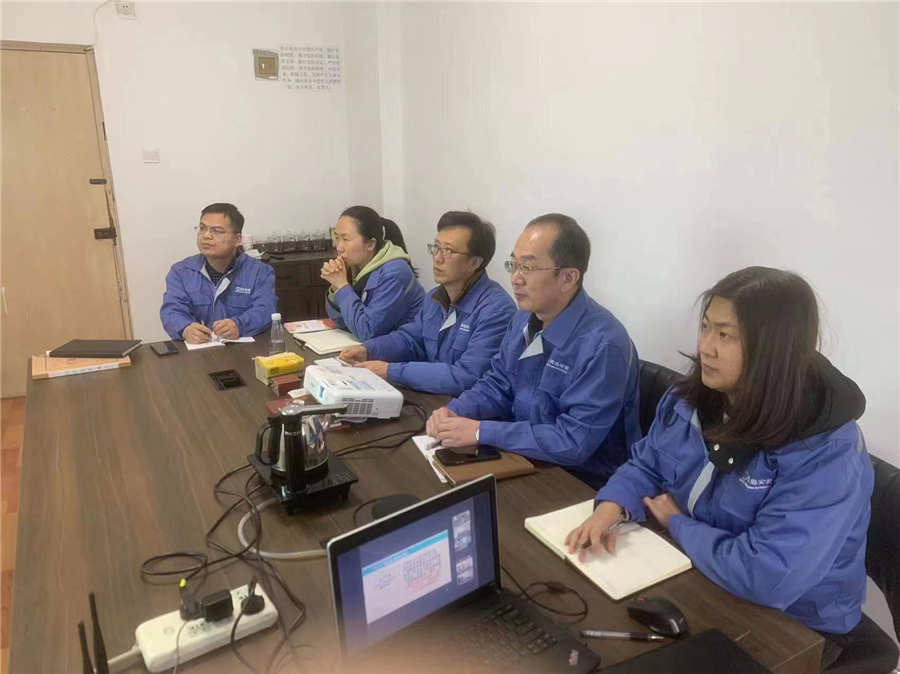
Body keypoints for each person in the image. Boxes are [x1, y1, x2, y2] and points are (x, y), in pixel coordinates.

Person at [564, 267, 873, 669]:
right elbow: (647, 463)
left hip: (796, 624)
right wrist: (613, 505)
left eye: (725, 336)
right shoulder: (695, 396)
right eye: (706, 327)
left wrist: (677, 523)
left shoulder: (826, 452)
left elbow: (767, 576)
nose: (705, 348)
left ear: (773, 350)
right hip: (697, 572)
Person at [426, 214, 641, 488]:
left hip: (581, 482)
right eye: (513, 264)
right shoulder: (523, 318)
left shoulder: (604, 345)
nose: (515, 279)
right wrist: (455, 410)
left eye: (527, 267)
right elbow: (498, 383)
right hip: (523, 457)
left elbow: (572, 441)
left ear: (568, 278)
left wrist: (481, 431)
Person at [339, 211, 515, 395]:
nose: (438, 258)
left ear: (475, 262)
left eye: (449, 251)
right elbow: (410, 339)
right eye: (436, 248)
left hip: (463, 406)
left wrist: (391, 371)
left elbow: (466, 377)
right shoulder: (435, 298)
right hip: (432, 395)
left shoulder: (496, 310)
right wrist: (368, 350)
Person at [160, 203, 276, 343]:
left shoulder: (260, 272)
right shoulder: (181, 272)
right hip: (200, 350)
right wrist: (185, 329)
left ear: (237, 239)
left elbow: (265, 310)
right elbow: (172, 310)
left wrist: (239, 325)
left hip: (245, 351)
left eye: (217, 231)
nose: (206, 236)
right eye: (202, 228)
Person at [322, 206, 425, 340]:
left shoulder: (395, 273)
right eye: (336, 238)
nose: (339, 247)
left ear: (370, 244)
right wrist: (336, 287)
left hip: (407, 349)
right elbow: (344, 320)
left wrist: (342, 286)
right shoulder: (358, 265)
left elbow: (367, 330)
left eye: (345, 239)